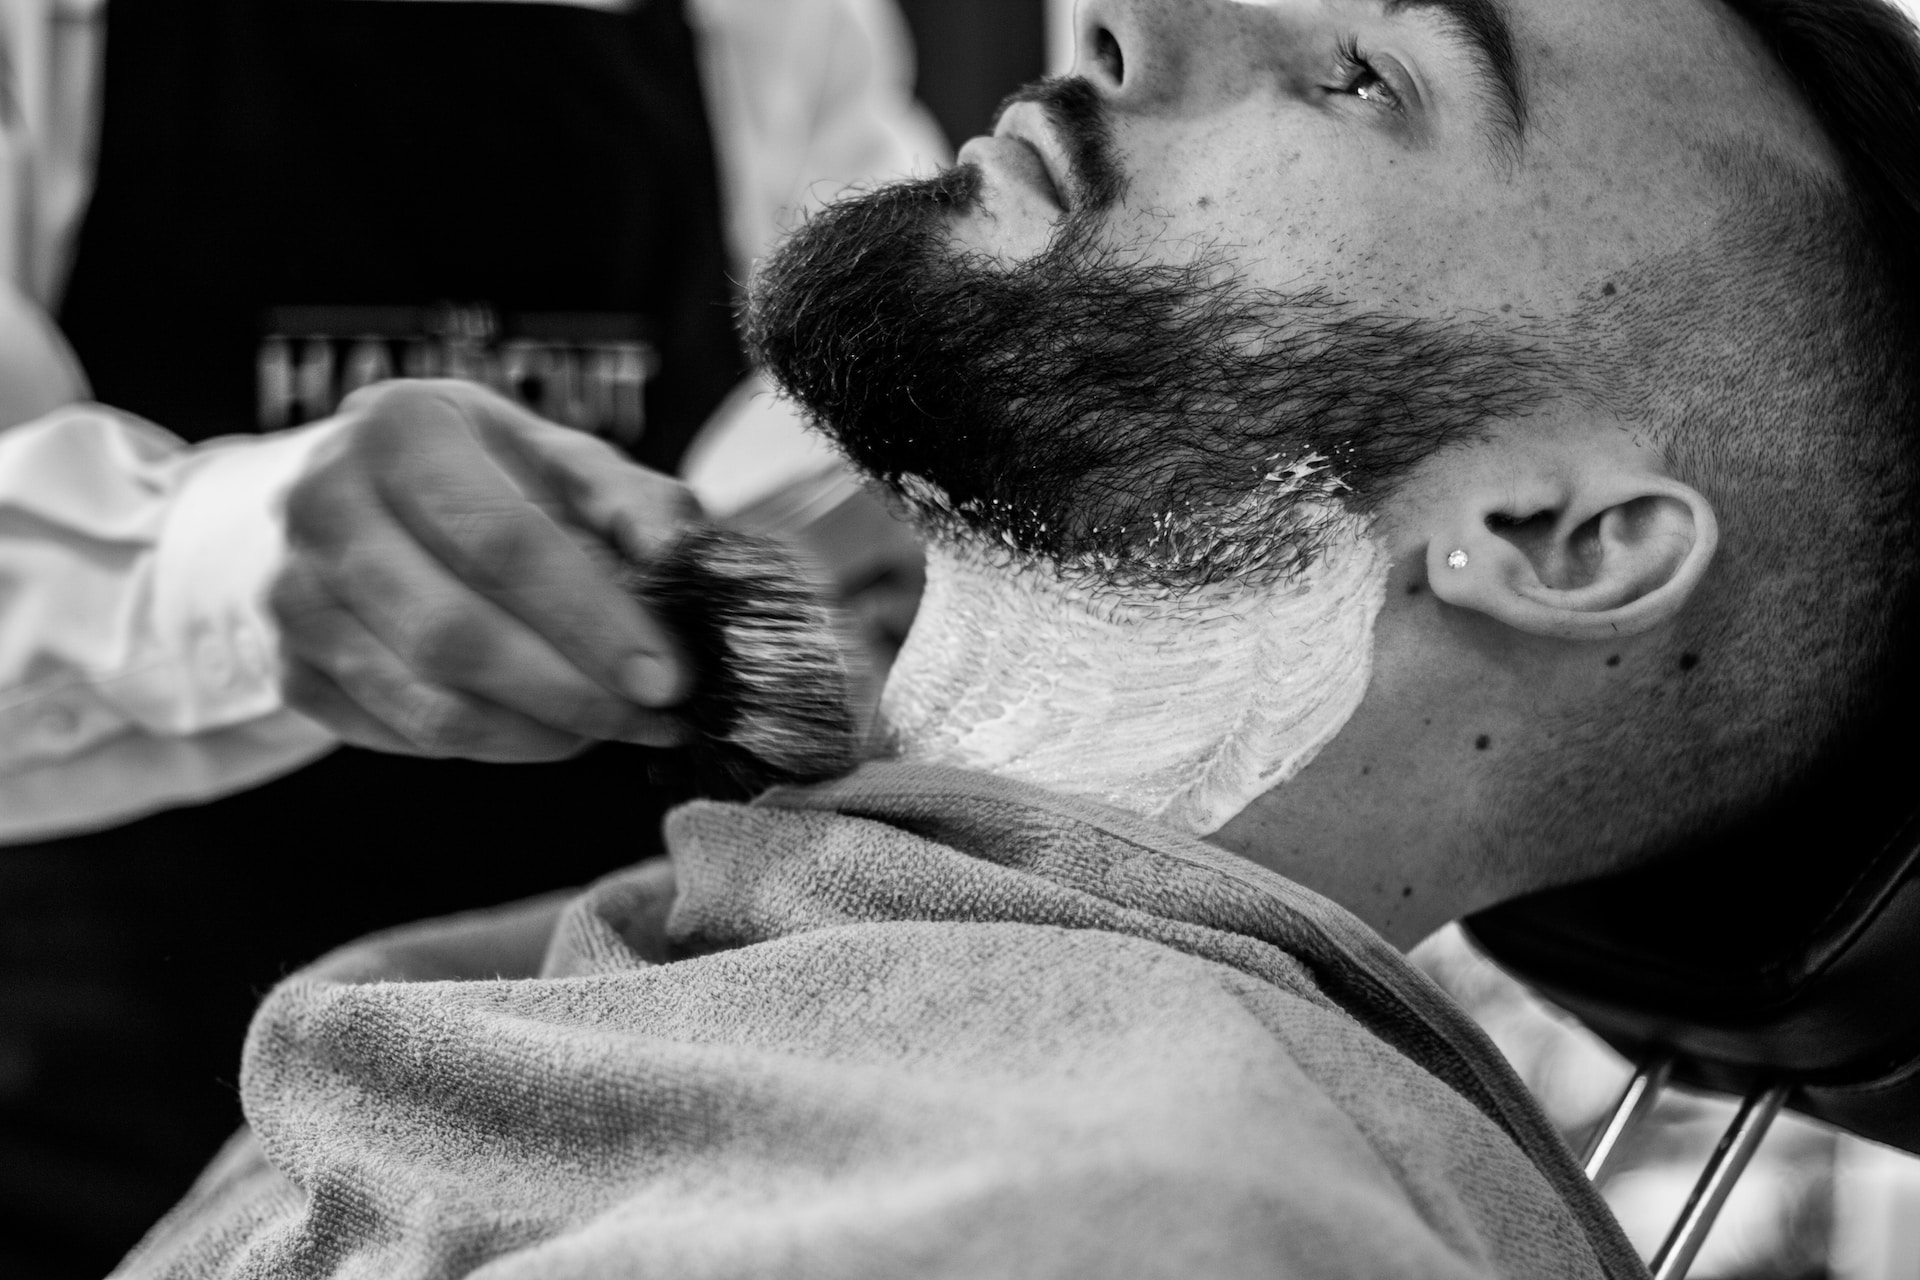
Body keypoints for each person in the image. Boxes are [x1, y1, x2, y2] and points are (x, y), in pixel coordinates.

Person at [107, 0, 1920, 1273]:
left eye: (1368, 71)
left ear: (1555, 537)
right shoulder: (630, 993)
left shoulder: (1131, 1220)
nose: (1131, 26)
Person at [0, 0, 944, 1271]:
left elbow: (851, 385)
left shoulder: (778, 23)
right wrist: (214, 564)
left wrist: (835, 521)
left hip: (609, 1045)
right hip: (101, 1037)